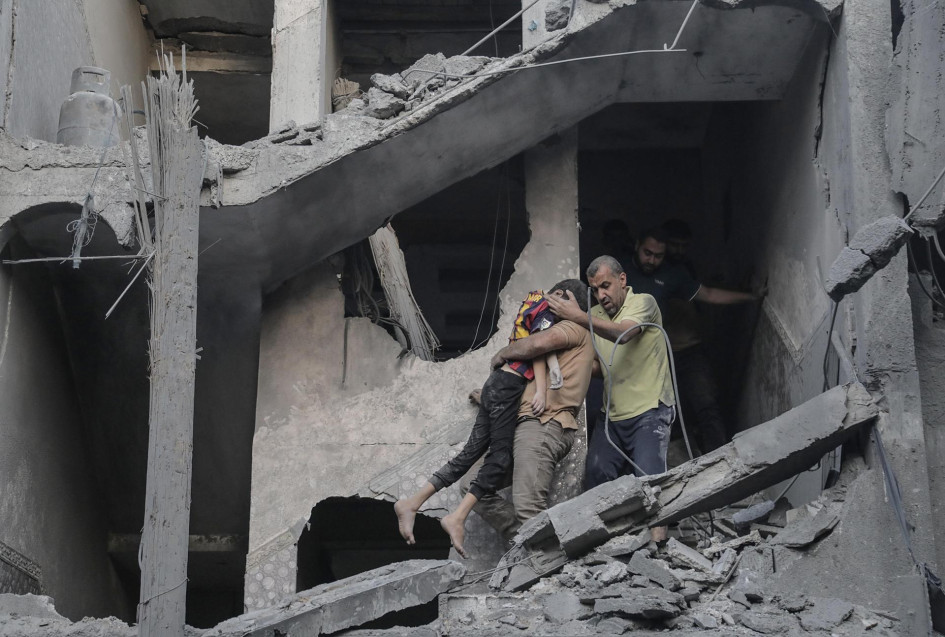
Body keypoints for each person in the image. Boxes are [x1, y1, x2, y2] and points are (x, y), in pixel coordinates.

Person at [394, 281, 574, 557]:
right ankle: (457, 517)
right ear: (561, 295)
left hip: (497, 384)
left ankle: (412, 502)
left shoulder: (532, 300)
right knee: (500, 457)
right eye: (569, 306)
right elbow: (537, 348)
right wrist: (540, 389)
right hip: (508, 387)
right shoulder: (547, 309)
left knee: (469, 454)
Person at [546, 256, 676, 540]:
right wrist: (556, 365)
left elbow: (626, 333)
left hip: (650, 410)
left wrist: (577, 315)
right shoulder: (595, 316)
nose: (600, 295)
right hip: (612, 415)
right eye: (594, 289)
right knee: (595, 478)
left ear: (622, 280)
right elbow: (598, 367)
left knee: (650, 482)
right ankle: (603, 552)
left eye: (605, 286)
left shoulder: (644, 302)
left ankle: (661, 552)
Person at [473, 279, 595, 541]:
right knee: (474, 487)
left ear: (560, 296)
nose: (541, 307)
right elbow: (529, 374)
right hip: (525, 423)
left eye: (548, 300)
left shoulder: (572, 326)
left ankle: (547, 566)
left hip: (543, 424)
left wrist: (505, 352)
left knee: (528, 506)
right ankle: (530, 546)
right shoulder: (562, 332)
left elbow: (538, 343)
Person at [625, 224, 763, 453]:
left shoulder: (674, 275)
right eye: (647, 253)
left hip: (688, 350)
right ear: (637, 246)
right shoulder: (621, 273)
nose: (651, 260)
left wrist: (751, 296)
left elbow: (709, 294)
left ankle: (722, 463)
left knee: (707, 404)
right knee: (656, 412)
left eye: (658, 256)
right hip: (649, 357)